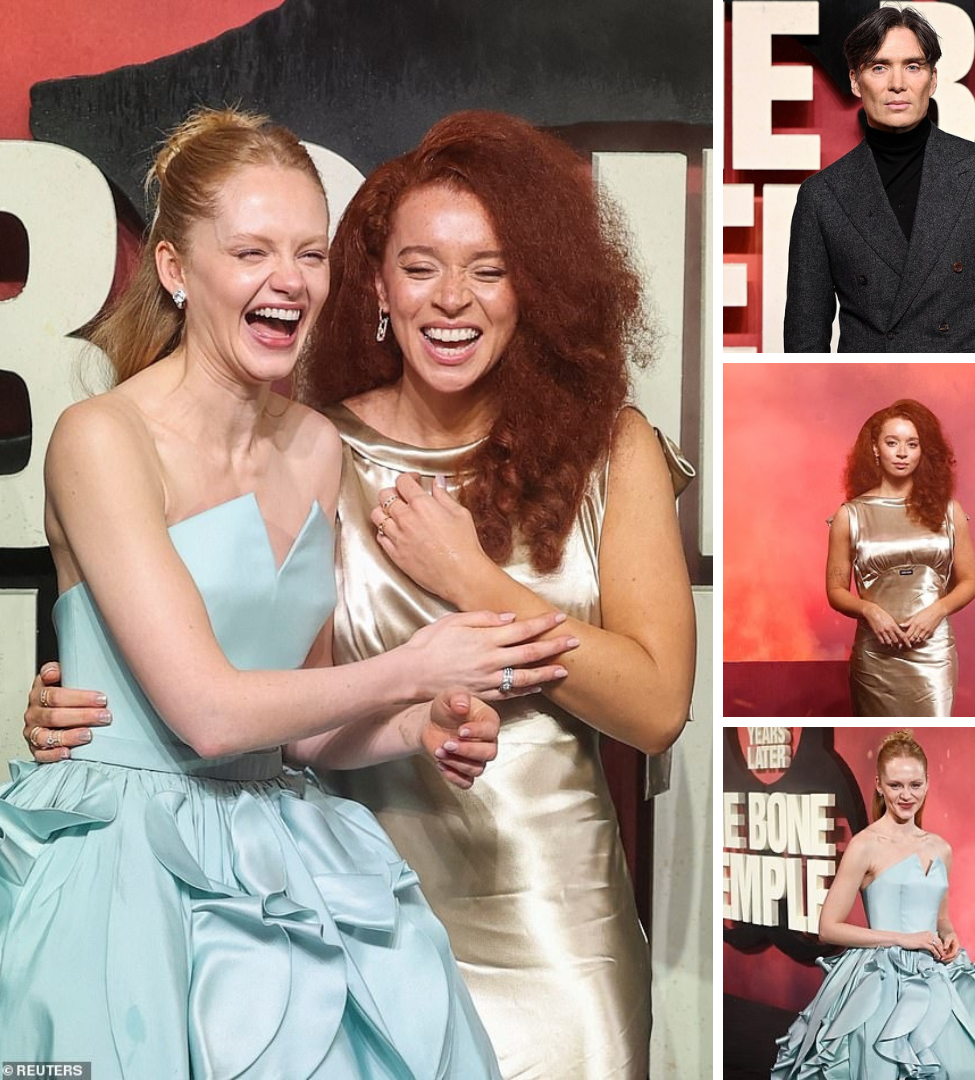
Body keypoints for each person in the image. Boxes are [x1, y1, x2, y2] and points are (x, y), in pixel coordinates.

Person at [26, 109, 697, 1079]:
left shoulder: (586, 446)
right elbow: (215, 690)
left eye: (491, 267)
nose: (452, 297)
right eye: (420, 265)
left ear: (533, 284)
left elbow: (655, 707)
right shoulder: (306, 442)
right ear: (378, 284)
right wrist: (83, 701)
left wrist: (461, 605)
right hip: (330, 905)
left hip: (540, 918)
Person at [784, 4, 975, 352]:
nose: (897, 84)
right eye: (879, 67)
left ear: (933, 78)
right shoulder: (821, 197)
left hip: (974, 388)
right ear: (854, 81)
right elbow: (806, 334)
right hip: (870, 393)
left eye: (912, 66)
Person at [772, 730, 975, 1079]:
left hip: (935, 980)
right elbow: (828, 928)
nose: (906, 795)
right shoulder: (865, 845)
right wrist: (903, 939)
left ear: (927, 783)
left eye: (915, 785)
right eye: (896, 785)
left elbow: (942, 918)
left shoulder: (941, 848)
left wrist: (950, 936)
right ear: (879, 785)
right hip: (879, 984)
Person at [826, 399, 975, 717]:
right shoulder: (850, 515)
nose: (902, 452)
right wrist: (870, 611)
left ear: (923, 451)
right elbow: (836, 591)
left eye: (912, 443)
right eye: (892, 442)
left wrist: (936, 612)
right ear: (876, 449)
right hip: (875, 656)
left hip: (934, 653)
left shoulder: (950, 511)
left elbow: (969, 582)